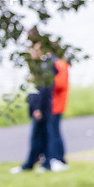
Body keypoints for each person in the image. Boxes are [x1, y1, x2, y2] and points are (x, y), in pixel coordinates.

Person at [11, 34, 57, 173]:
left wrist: (38, 108)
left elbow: (43, 90)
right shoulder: (37, 68)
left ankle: (44, 163)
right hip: (38, 107)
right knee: (39, 136)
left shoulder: (45, 67)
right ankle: (34, 162)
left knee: (41, 137)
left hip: (42, 108)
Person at [47, 55, 70, 171]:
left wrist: (46, 82)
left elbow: (60, 84)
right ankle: (54, 158)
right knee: (53, 132)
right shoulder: (59, 63)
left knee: (54, 133)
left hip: (56, 105)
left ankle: (58, 158)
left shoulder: (60, 64)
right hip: (54, 105)